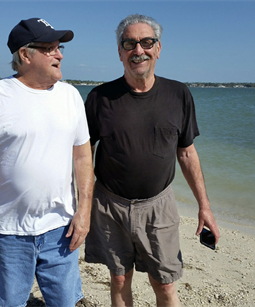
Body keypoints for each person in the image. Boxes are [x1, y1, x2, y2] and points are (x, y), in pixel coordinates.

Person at [84, 14, 221, 307]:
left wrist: (204, 207)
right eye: (129, 43)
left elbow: (186, 152)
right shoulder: (100, 97)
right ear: (120, 51)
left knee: (165, 283)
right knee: (119, 279)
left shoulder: (178, 94)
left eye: (147, 42)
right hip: (109, 205)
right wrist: (80, 204)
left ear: (158, 48)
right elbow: (82, 154)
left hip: (159, 206)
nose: (138, 50)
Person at [0, 17, 94, 307]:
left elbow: (83, 158)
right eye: (50, 48)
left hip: (61, 229)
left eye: (60, 48)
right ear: (25, 54)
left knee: (66, 303)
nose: (59, 54)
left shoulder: (70, 97)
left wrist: (84, 212)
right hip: (6, 231)